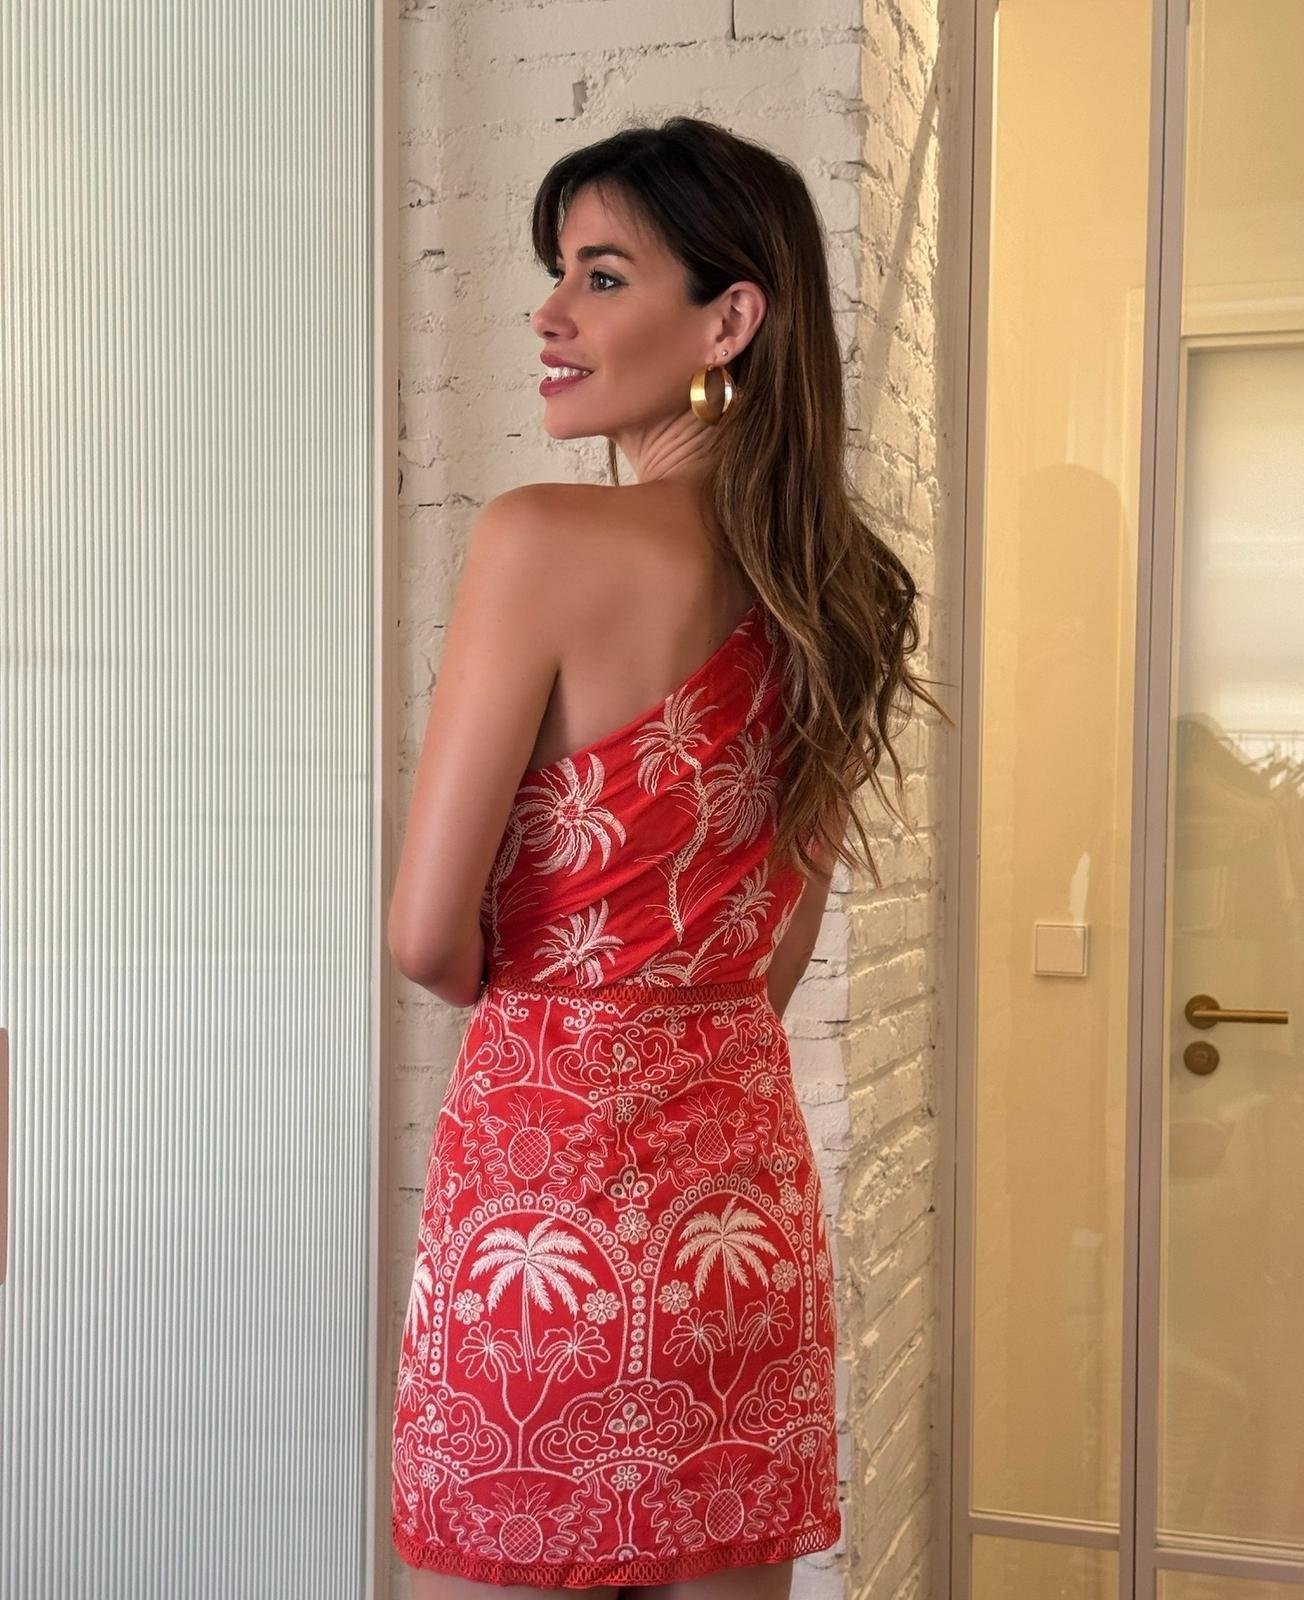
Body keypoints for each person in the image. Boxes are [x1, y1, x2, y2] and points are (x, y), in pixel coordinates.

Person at [386, 116, 948, 1600]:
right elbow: (774, 962)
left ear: (728, 319)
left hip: (544, 1211)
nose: (548, 315)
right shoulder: (840, 592)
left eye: (602, 275)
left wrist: (553, 1003)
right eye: (556, 273)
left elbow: (427, 935)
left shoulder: (540, 540)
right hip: (734, 1222)